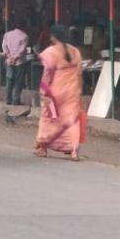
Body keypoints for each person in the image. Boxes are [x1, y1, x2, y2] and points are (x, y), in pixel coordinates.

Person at [35, 23, 86, 160]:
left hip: (55, 91)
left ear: (52, 37)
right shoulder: (75, 51)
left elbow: (47, 73)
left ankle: (42, 147)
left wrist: (44, 91)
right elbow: (79, 73)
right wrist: (79, 89)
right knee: (72, 120)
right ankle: (74, 150)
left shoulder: (51, 52)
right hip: (72, 90)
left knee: (49, 118)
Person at [2, 19, 32, 110]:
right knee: (18, 81)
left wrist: (9, 56)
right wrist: (15, 57)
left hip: (9, 61)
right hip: (19, 62)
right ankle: (16, 100)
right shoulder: (24, 36)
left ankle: (8, 100)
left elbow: (4, 46)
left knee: (9, 80)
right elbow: (22, 49)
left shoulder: (7, 34)